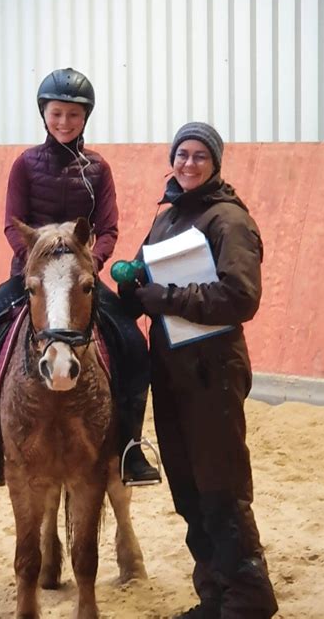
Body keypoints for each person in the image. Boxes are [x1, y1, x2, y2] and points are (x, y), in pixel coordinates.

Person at [0, 67, 160, 489]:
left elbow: (108, 229)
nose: (64, 122)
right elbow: (13, 225)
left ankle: (130, 446)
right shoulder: (25, 165)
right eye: (56, 114)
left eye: (73, 115)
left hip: (79, 279)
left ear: (85, 118)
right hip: (31, 278)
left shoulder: (99, 168)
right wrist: (36, 262)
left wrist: (90, 263)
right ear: (43, 115)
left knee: (134, 347)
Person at [119, 122, 278, 618]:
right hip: (171, 369)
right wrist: (132, 284)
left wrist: (161, 298)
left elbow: (240, 296)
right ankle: (215, 593)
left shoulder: (228, 220)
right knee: (188, 487)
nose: (188, 163)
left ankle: (249, 597)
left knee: (220, 484)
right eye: (181, 154)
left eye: (199, 156)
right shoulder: (168, 218)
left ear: (215, 162)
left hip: (213, 371)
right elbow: (148, 275)